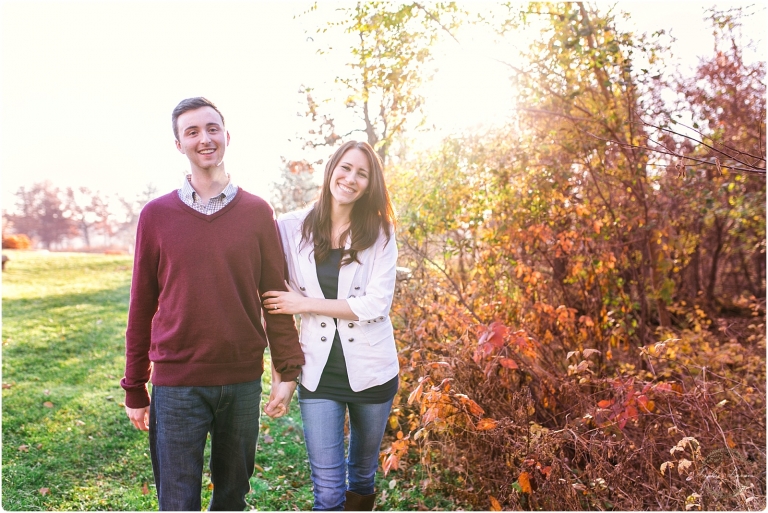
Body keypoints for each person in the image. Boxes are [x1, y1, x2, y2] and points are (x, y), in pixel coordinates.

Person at [120, 97, 304, 511]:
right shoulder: (156, 215)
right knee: (178, 501)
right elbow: (141, 306)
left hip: (240, 383)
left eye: (212, 128)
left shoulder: (258, 212)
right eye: (192, 131)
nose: (205, 138)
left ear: (226, 136)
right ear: (179, 144)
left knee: (232, 499)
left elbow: (274, 296)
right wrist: (135, 385)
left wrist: (286, 370)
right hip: (176, 383)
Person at [262, 140, 399, 511]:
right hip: (317, 370)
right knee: (326, 489)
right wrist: (282, 375)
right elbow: (274, 305)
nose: (351, 178)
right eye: (345, 167)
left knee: (363, 475)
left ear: (370, 185)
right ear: (330, 169)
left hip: (372, 370)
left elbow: (376, 305)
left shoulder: (381, 233)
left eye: (362, 173)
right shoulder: (290, 228)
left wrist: (304, 303)